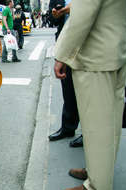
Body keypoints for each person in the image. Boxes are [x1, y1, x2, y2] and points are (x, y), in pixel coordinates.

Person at [54, 0, 126, 190]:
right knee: (111, 120)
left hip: (95, 56)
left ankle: (98, 185)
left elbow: (81, 16)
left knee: (96, 124)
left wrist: (61, 55)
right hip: (115, 49)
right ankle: (99, 171)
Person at [48, 1, 83, 148]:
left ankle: (89, 133)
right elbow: (52, 20)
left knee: (88, 92)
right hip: (66, 44)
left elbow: (88, 13)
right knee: (68, 89)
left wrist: (70, 10)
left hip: (87, 45)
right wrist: (56, 14)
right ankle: (68, 127)